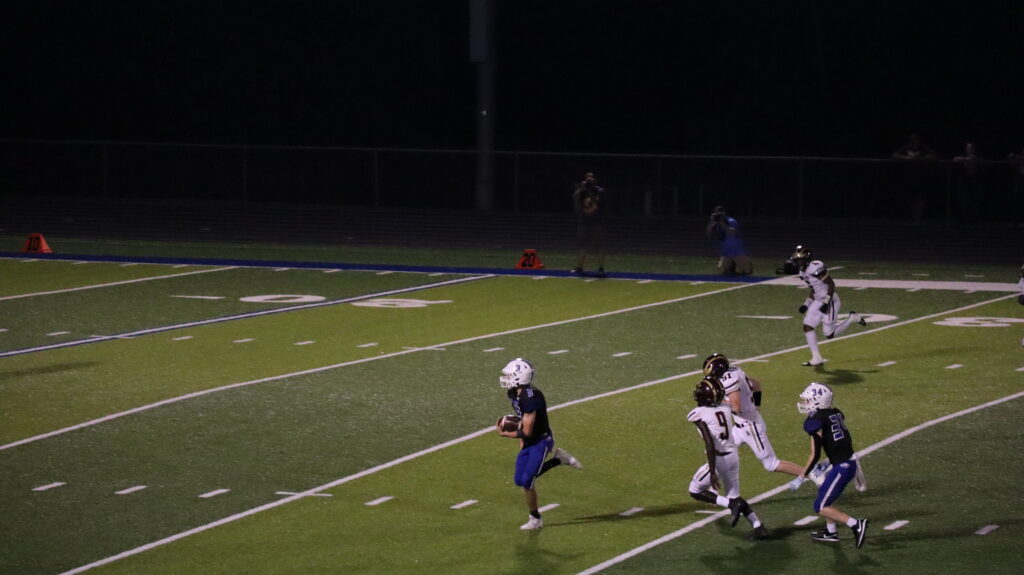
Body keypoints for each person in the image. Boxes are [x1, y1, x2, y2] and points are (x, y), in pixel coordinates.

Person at [497, 358, 582, 530]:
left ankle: (535, 518)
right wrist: (521, 440)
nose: (506, 378)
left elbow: (526, 431)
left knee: (528, 480)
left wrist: (505, 433)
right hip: (530, 440)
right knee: (519, 480)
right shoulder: (513, 393)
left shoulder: (531, 398)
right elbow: (523, 421)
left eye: (510, 375)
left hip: (541, 440)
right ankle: (559, 459)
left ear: (519, 377)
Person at [686, 376, 768, 540]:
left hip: (719, 460)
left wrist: (712, 471)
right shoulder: (724, 407)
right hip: (733, 456)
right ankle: (758, 526)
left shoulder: (699, 414)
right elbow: (735, 404)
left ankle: (730, 504)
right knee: (734, 495)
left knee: (695, 490)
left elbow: (709, 443)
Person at [702, 354, 806, 482]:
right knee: (715, 449)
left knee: (771, 464)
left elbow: (736, 407)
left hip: (750, 427)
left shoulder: (729, 381)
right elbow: (756, 384)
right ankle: (707, 484)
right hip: (741, 427)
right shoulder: (736, 372)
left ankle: (811, 472)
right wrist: (757, 406)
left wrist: (716, 402)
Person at [796, 382, 869, 548]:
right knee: (824, 492)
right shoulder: (834, 413)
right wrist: (828, 461)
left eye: (807, 400)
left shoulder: (816, 422)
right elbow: (840, 443)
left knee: (820, 506)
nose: (805, 403)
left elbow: (814, 454)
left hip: (843, 467)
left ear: (817, 401)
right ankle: (831, 532)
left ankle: (856, 524)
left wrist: (801, 476)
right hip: (845, 461)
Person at [791, 245, 867, 366]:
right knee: (807, 326)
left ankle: (852, 318)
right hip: (818, 300)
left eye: (800, 259)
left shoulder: (815, 268)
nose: (798, 262)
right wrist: (806, 304)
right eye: (797, 260)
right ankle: (816, 358)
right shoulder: (802, 272)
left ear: (806, 258)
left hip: (830, 300)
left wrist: (826, 302)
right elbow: (814, 289)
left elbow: (831, 285)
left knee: (829, 334)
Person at [571, 172, 606, 277]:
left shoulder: (599, 190)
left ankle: (601, 267)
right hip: (584, 221)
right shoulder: (582, 191)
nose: (589, 181)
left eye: (591, 179)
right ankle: (580, 266)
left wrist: (589, 190)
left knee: (598, 245)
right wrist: (581, 189)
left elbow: (597, 202)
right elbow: (575, 197)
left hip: (596, 221)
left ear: (595, 180)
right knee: (581, 244)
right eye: (588, 179)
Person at [705, 205, 752, 275]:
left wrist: (722, 223)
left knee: (747, 271)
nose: (720, 215)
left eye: (721, 213)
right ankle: (732, 269)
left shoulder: (731, 221)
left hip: (736, 250)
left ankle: (746, 264)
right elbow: (708, 233)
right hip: (726, 252)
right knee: (721, 271)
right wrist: (711, 221)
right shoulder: (715, 222)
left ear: (724, 213)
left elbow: (732, 232)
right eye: (718, 213)